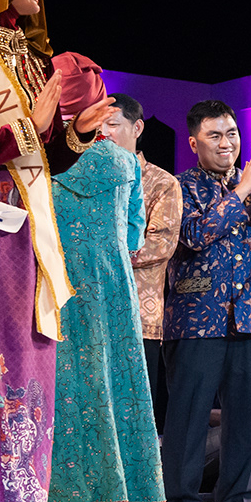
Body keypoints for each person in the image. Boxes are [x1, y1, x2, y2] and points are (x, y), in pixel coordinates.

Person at [0, 0, 115, 502]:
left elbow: (41, 156)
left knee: (33, 378)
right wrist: (34, 117)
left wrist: (74, 130)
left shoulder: (27, 54)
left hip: (30, 237)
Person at [43, 67, 192, 502]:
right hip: (112, 293)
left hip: (56, 291)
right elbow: (131, 236)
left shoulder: (41, 160)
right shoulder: (125, 164)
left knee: (64, 393)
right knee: (116, 391)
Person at [162, 100, 251, 502]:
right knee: (189, 415)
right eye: (215, 135)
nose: (227, 143)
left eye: (232, 133)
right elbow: (195, 235)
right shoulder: (179, 187)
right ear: (194, 141)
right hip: (197, 314)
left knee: (243, 416)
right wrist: (239, 193)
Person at [101, 93, 181, 420]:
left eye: (112, 124)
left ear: (137, 128)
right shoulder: (90, 179)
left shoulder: (162, 183)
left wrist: (99, 253)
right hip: (93, 312)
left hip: (139, 319)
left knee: (134, 416)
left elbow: (161, 244)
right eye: (97, 125)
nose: (103, 133)